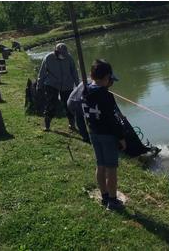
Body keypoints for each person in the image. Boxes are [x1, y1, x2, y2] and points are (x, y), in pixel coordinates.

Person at [82, 59, 126, 211]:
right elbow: (112, 120)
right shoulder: (106, 96)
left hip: (93, 133)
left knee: (100, 165)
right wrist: (121, 138)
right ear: (107, 77)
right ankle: (113, 201)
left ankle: (104, 196)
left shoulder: (85, 90)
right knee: (111, 169)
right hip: (107, 136)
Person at [38, 42, 79, 132]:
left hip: (67, 84)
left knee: (68, 104)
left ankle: (72, 124)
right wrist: (39, 85)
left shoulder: (69, 58)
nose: (62, 55)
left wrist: (78, 85)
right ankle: (47, 125)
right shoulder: (48, 58)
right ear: (55, 51)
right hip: (52, 84)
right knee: (51, 104)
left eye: (64, 53)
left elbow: (74, 72)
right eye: (60, 53)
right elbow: (42, 73)